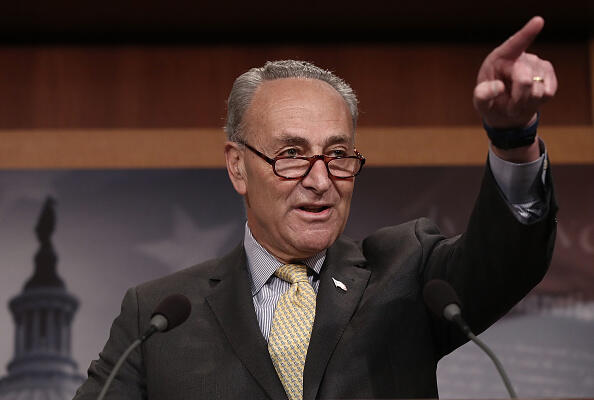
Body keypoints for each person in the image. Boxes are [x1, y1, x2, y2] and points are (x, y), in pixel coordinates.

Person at [74, 16, 558, 400]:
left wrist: (513, 140)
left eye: (338, 154)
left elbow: (506, 260)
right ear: (238, 167)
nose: (321, 180)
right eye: (291, 155)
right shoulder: (158, 317)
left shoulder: (406, 271)